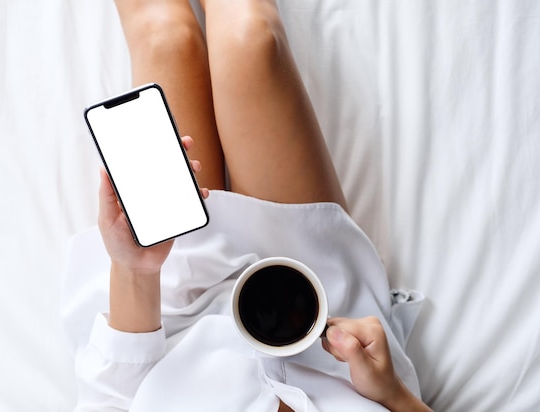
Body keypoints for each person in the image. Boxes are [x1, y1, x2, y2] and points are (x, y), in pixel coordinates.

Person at [68, 0, 432, 410]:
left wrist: (135, 268)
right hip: (318, 297)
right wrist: (393, 394)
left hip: (170, 298)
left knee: (164, 39)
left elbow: (111, 396)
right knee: (251, 42)